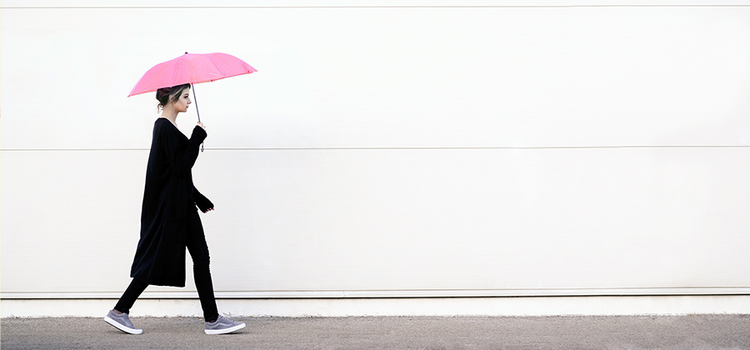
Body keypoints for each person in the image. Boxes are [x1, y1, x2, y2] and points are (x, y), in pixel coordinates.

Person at [104, 83, 245, 335]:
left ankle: (121, 311)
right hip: (173, 208)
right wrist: (196, 138)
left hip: (180, 204)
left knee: (185, 256)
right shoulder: (164, 128)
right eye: (185, 97)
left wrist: (198, 198)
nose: (189, 101)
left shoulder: (167, 128)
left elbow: (175, 176)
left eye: (190, 97)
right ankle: (210, 320)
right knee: (188, 257)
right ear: (172, 99)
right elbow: (181, 167)